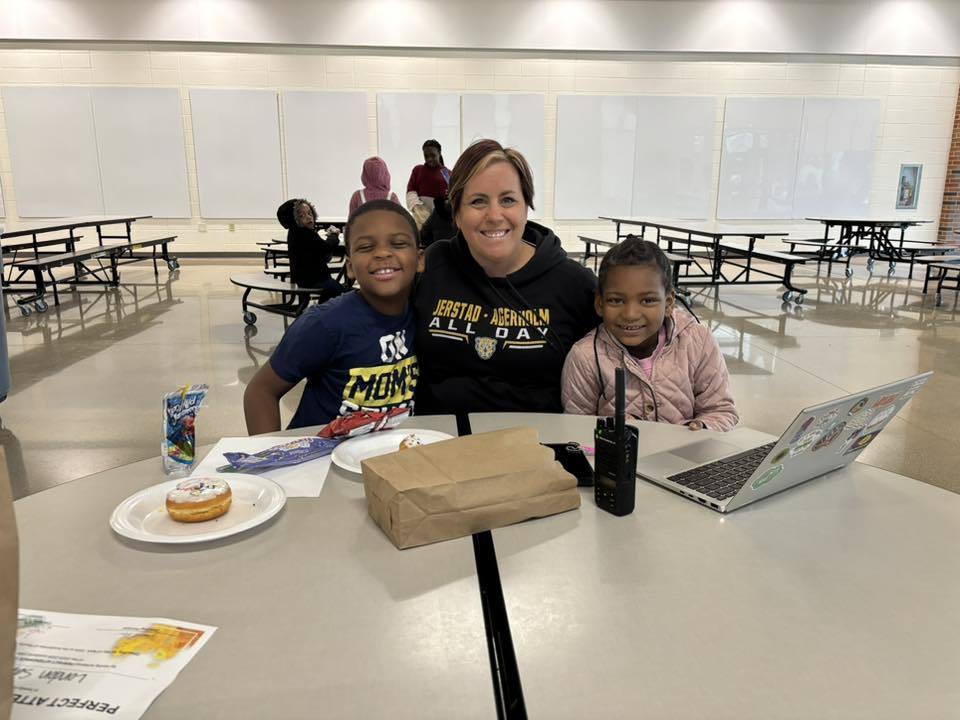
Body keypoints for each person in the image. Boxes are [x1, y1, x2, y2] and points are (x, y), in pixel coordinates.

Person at [413, 138, 597, 415]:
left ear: (526, 207)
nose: (495, 215)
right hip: (438, 444)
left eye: (508, 200)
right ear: (457, 214)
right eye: (477, 201)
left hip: (537, 447)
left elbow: (638, 335)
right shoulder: (433, 265)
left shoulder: (572, 283)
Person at [245, 200, 423, 433]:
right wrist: (271, 463)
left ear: (420, 259)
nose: (382, 253)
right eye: (366, 247)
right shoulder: (324, 324)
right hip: (319, 460)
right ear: (350, 267)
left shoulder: (427, 315)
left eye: (398, 243)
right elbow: (260, 391)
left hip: (385, 456)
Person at [561, 237, 738, 431]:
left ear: (669, 303)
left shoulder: (698, 340)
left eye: (647, 301)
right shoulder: (584, 357)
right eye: (616, 300)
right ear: (600, 304)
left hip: (688, 457)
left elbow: (721, 410)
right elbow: (577, 427)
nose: (630, 314)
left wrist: (701, 428)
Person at [276, 198, 343, 299]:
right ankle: (323, 312)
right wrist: (333, 235)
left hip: (304, 279)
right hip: (315, 280)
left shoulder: (295, 232)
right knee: (340, 293)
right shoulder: (304, 233)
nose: (308, 217)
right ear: (294, 219)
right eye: (301, 216)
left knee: (337, 292)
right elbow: (326, 247)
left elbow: (319, 249)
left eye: (309, 213)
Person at [406, 139, 451, 228]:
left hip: (441, 222)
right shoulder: (418, 170)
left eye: (433, 155)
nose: (429, 159)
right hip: (420, 220)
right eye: (426, 156)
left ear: (439, 152)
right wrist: (417, 208)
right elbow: (410, 191)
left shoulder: (448, 174)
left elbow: (451, 197)